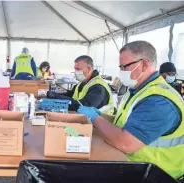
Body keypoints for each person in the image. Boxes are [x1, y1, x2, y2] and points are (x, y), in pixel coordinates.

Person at [78, 41, 184, 180]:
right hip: (133, 167)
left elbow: (126, 143)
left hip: (157, 175)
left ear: (144, 64)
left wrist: (95, 119)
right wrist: (101, 116)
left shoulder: (159, 100)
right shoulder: (137, 90)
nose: (121, 71)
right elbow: (125, 122)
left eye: (124, 66)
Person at [47, 55, 114, 114]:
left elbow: (83, 106)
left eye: (78, 69)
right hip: (84, 118)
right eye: (75, 69)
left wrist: (56, 96)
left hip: (100, 123)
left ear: (88, 69)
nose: (76, 72)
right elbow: (70, 94)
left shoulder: (98, 87)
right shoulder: (83, 82)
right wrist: (53, 95)